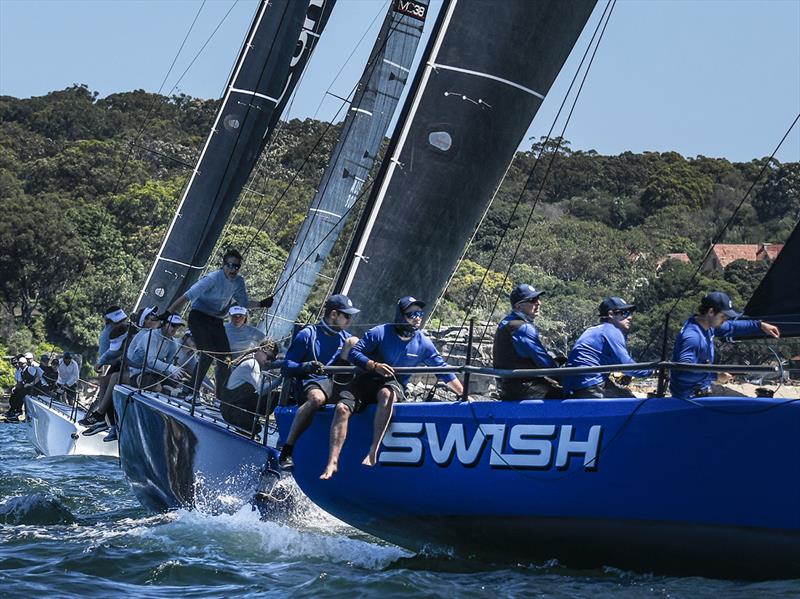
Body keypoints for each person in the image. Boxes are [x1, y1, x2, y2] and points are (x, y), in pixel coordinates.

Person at [321, 296, 464, 480]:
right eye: (412, 314)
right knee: (341, 408)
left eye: (420, 314)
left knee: (386, 394)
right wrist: (373, 365)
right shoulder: (380, 332)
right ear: (400, 315)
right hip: (366, 380)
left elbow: (444, 370)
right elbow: (355, 353)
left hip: (393, 383)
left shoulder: (423, 343)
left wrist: (463, 393)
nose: (417, 318)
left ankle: (373, 450)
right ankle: (332, 461)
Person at [166, 248, 272, 397]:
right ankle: (191, 391)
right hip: (199, 317)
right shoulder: (213, 278)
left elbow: (244, 302)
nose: (233, 269)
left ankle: (222, 397)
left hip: (215, 320)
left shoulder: (238, 282)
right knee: (208, 353)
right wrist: (166, 313)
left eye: (236, 266)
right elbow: (186, 297)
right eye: (230, 265)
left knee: (226, 359)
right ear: (223, 265)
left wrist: (261, 304)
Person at [278, 294, 360, 471]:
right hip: (310, 382)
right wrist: (307, 366)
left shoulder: (346, 338)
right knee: (317, 398)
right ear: (333, 315)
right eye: (346, 316)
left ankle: (341, 459)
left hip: (335, 384)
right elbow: (286, 367)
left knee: (354, 343)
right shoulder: (308, 334)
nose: (350, 320)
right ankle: (287, 450)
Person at [670, 291, 780, 399]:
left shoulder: (705, 324)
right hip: (690, 398)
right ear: (711, 312)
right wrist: (716, 376)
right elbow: (683, 373)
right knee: (747, 408)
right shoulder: (693, 337)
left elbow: (732, 327)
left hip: (703, 388)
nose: (725, 320)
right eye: (723, 316)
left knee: (748, 403)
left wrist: (759, 325)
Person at [563, 297, 653, 398]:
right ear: (610, 314)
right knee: (629, 401)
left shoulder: (594, 330)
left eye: (630, 313)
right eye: (624, 313)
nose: (630, 317)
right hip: (590, 385)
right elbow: (626, 365)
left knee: (625, 394)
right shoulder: (611, 330)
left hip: (573, 385)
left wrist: (628, 373)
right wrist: (652, 370)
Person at [492, 283, 562, 399]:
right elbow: (546, 365)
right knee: (569, 395)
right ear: (519, 306)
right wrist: (569, 381)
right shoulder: (523, 328)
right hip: (525, 389)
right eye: (532, 300)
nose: (538, 303)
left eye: (538, 299)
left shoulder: (506, 322)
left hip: (506, 388)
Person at [219, 340, 278, 434]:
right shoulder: (251, 365)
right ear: (261, 350)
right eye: (269, 357)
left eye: (272, 360)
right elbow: (261, 390)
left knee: (276, 396)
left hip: (236, 406)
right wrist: (281, 379)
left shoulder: (253, 361)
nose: (268, 361)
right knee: (257, 428)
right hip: (231, 411)